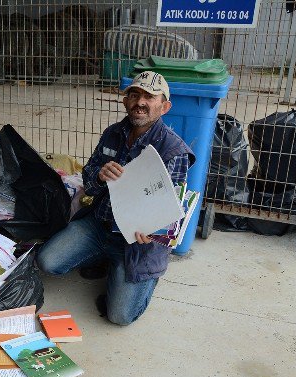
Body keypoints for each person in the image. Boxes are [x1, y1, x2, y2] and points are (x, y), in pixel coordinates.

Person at [37, 71, 195, 326]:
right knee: (47, 261)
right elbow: (88, 179)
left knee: (120, 316)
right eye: (134, 95)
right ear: (125, 102)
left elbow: (171, 211)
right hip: (99, 225)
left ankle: (139, 276)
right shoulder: (113, 133)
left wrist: (154, 231)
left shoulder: (173, 150)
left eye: (149, 97)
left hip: (135, 242)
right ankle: (104, 259)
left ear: (164, 107)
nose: (140, 102)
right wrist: (99, 177)